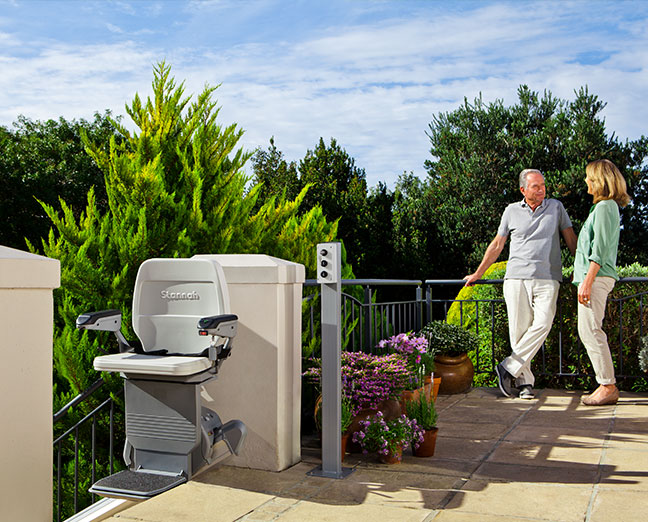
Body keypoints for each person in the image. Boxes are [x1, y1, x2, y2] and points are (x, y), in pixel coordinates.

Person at [464, 169, 577, 399]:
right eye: (536, 186)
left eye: (543, 185)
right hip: (516, 278)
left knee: (544, 323)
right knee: (519, 332)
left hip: (548, 277)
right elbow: (497, 245)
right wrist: (478, 273)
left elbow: (570, 239)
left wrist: (581, 268)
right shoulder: (511, 211)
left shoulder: (556, 208)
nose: (542, 189)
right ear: (523, 190)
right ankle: (525, 383)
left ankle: (508, 367)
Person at [574, 159, 630, 406]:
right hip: (593, 278)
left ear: (599, 180)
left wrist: (587, 281)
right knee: (588, 330)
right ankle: (606, 383)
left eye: (589, 177)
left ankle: (608, 385)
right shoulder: (602, 208)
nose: (586, 181)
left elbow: (600, 249)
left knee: (591, 330)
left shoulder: (606, 207)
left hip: (595, 279)